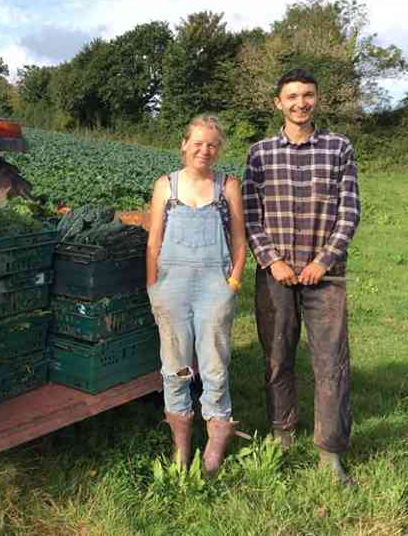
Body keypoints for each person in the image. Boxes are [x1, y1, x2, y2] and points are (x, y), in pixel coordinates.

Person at [242, 68, 361, 484]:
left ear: (317, 99)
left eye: (307, 95)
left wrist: (323, 260)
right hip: (275, 273)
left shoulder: (338, 147)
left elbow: (349, 211)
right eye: (291, 96)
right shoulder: (258, 153)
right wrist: (270, 259)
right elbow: (250, 213)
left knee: (331, 362)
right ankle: (282, 432)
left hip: (324, 276)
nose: (300, 103)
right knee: (277, 357)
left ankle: (330, 450)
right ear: (278, 102)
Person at [146, 115, 246, 475]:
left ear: (218, 150)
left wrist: (232, 282)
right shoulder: (165, 187)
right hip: (171, 288)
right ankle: (181, 447)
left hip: (213, 289)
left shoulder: (227, 186)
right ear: (185, 145)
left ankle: (217, 442)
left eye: (213, 145)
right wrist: (153, 285)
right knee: (176, 367)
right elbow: (154, 240)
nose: (205, 150)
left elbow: (238, 239)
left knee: (214, 364)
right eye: (198, 143)